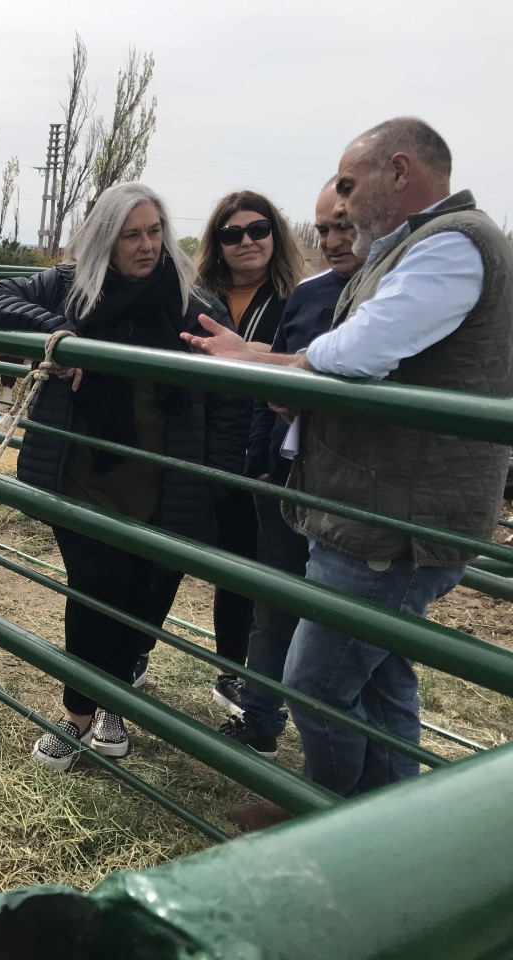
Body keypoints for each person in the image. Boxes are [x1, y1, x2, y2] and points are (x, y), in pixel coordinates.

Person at [182, 118, 513, 826]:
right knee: (383, 675)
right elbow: (340, 359)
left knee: (316, 683)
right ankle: (385, 823)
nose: (339, 201)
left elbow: (355, 354)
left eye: (349, 183)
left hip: (394, 522)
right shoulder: (412, 251)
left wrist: (262, 362)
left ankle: (322, 815)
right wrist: (265, 359)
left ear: (400, 172)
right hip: (377, 508)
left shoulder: (452, 247)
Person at [0, 182, 247, 768]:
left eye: (154, 231)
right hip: (87, 474)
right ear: (106, 238)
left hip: (168, 480)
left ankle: (115, 699)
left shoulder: (191, 301)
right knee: (96, 589)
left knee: (145, 598)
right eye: (131, 234)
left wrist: (215, 476)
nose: (147, 245)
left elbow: (230, 401)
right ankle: (77, 713)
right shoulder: (72, 288)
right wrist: (61, 335)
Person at [218, 178, 366, 757]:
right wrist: (259, 463)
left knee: (336, 627)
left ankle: (329, 752)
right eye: (324, 228)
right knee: (273, 600)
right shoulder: (307, 296)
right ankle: (259, 718)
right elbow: (268, 390)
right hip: (284, 474)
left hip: (346, 487)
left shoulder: (393, 302)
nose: (331, 239)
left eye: (344, 227)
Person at [178, 191, 307, 717]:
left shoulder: (295, 300)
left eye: (258, 230)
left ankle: (232, 669)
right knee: (168, 553)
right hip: (194, 442)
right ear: (217, 244)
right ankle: (134, 651)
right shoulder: (195, 295)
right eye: (232, 234)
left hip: (258, 454)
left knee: (243, 567)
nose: (246, 242)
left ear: (275, 235)